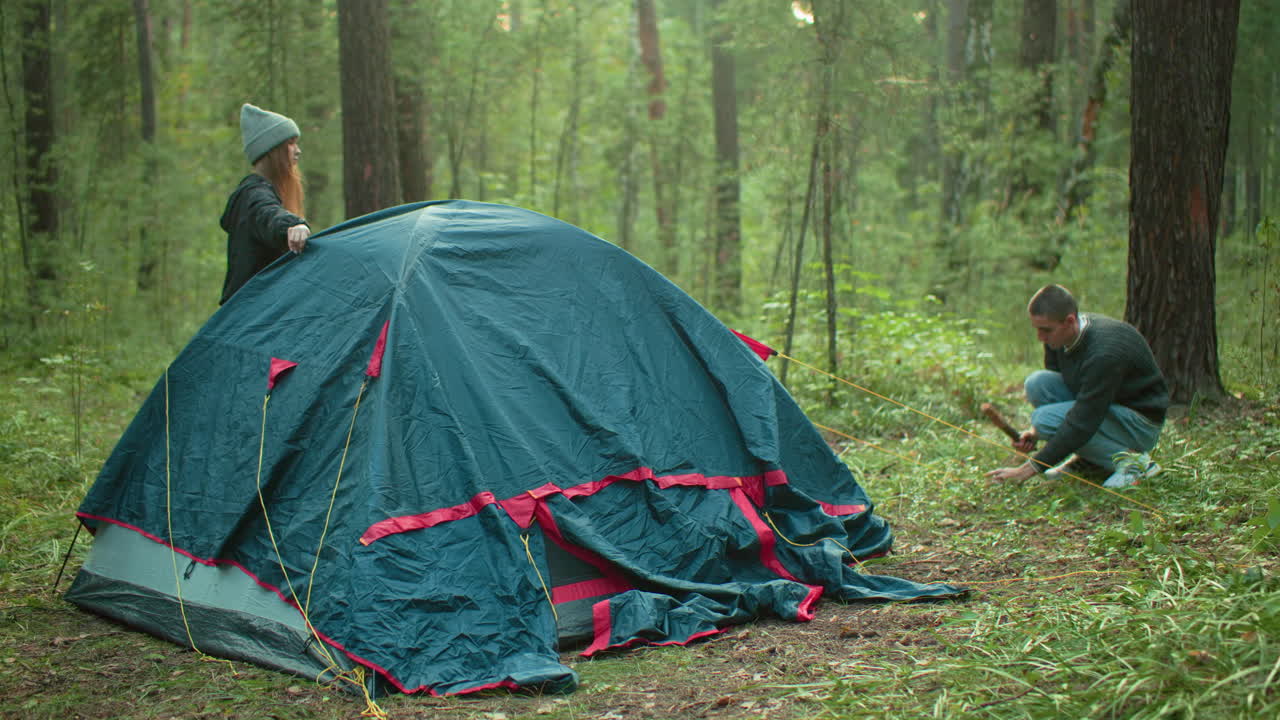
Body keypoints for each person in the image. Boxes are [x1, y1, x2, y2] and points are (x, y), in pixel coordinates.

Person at [985, 284, 1169, 488]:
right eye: (1037, 329)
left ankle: (1136, 464)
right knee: (1038, 384)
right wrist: (1033, 434)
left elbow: (1083, 420)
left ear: (1069, 321)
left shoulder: (1105, 353)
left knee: (1044, 419)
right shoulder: (1059, 338)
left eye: (1045, 330)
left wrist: (1028, 469)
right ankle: (1092, 461)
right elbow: (1076, 403)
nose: (1040, 338)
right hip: (1106, 408)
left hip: (1139, 423)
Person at [219, 103, 311, 305]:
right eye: (290, 143)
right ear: (272, 151)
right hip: (248, 319)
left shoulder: (261, 192)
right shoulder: (253, 194)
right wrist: (291, 225)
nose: (298, 151)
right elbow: (266, 214)